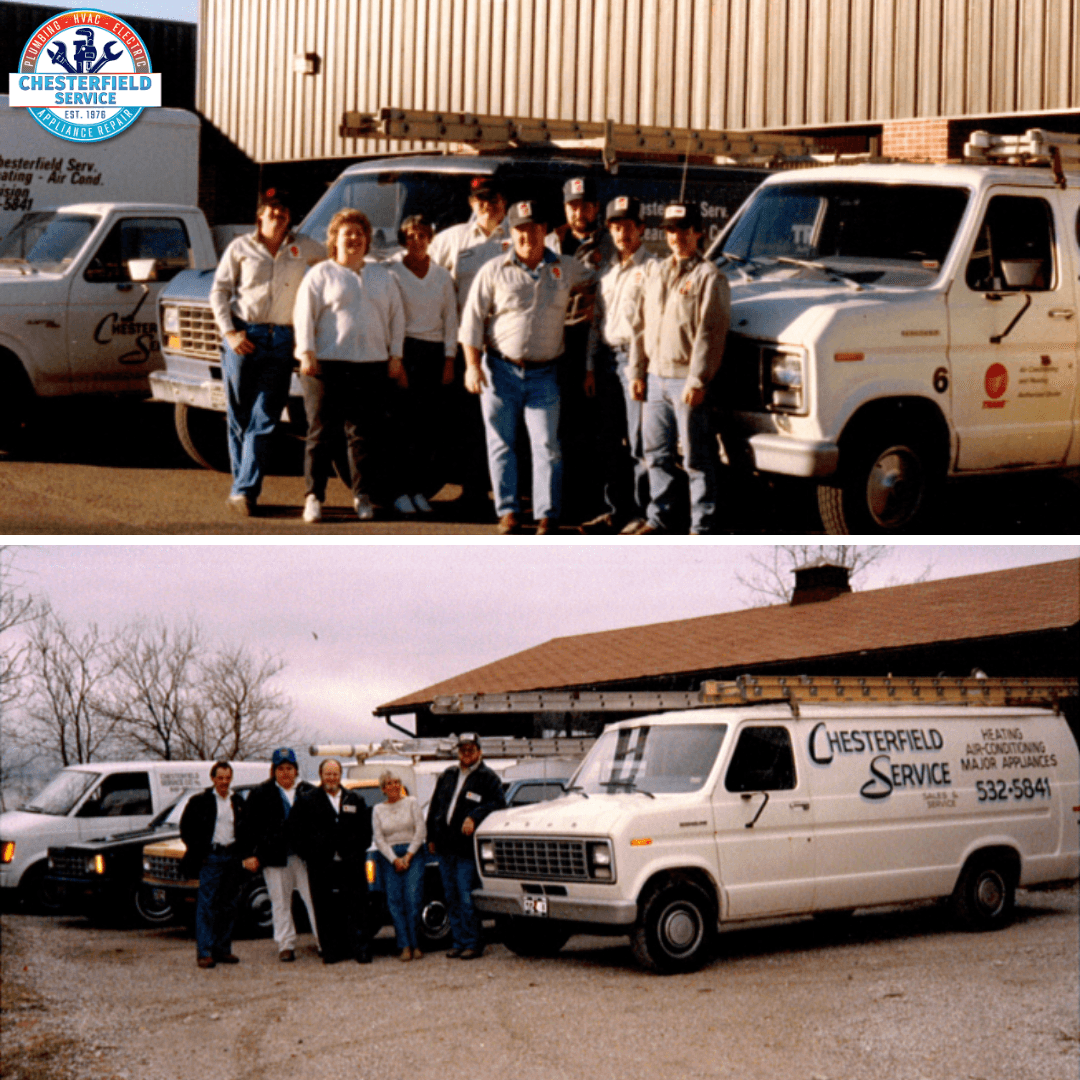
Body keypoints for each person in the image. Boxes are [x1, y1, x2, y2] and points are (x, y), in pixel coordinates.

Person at [459, 198, 594, 535]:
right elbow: (472, 322)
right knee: (501, 443)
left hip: (544, 373)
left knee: (546, 445)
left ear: (545, 230)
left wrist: (595, 306)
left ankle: (548, 514)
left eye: (534, 228)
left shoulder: (566, 267)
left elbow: (599, 283)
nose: (527, 236)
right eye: (520, 229)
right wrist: (472, 367)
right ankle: (508, 512)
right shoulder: (493, 270)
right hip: (499, 371)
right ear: (511, 232)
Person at [209, 188, 323, 517]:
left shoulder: (304, 247)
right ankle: (242, 485)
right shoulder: (240, 248)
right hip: (246, 336)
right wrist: (229, 333)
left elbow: (337, 255)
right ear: (260, 215)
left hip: (283, 339)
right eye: (272, 210)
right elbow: (219, 290)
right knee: (240, 416)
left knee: (266, 417)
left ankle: (245, 491)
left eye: (284, 211)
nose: (279, 216)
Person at [293, 208, 406, 523]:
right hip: (326, 366)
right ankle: (314, 496)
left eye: (359, 233)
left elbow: (397, 317)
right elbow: (303, 316)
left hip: (370, 366)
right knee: (320, 433)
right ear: (334, 239)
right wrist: (306, 353)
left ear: (367, 240)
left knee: (362, 435)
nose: (354, 239)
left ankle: (362, 495)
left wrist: (395, 355)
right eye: (347, 233)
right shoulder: (320, 274)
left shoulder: (383, 275)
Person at [628, 202, 730, 535]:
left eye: (685, 230)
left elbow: (709, 333)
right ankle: (661, 519)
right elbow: (639, 325)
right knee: (655, 454)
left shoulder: (709, 277)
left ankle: (702, 526)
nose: (677, 237)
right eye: (672, 230)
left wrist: (698, 379)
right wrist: (636, 372)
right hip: (655, 378)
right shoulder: (655, 272)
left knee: (696, 459)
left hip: (685, 381)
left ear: (699, 233)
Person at [429, 179, 511, 516]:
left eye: (492, 199)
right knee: (470, 424)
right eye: (480, 200)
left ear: (503, 201)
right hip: (469, 349)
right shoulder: (451, 239)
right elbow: (429, 279)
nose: (486, 206)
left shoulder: (518, 235)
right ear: (471, 203)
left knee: (508, 424)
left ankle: (510, 496)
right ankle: (473, 492)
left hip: (507, 347)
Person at [581, 195, 654, 535]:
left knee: (639, 442)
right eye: (615, 226)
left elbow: (647, 326)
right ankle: (615, 509)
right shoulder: (607, 273)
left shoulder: (652, 270)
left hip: (635, 362)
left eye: (628, 226)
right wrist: (590, 367)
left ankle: (642, 513)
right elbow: (597, 322)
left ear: (641, 228)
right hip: (607, 360)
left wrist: (638, 371)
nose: (622, 233)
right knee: (609, 440)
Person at [546, 176, 616, 523]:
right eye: (573, 205)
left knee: (595, 429)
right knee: (560, 429)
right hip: (555, 345)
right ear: (565, 207)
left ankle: (596, 504)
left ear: (596, 208)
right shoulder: (550, 243)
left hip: (593, 344)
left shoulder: (610, 244)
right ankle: (565, 504)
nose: (580, 212)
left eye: (586, 205)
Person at [387, 214, 459, 515]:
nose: (417, 240)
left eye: (422, 235)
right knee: (401, 427)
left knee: (426, 428)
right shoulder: (391, 271)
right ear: (404, 239)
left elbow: (450, 320)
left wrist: (449, 360)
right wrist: (397, 359)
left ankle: (418, 490)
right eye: (411, 235)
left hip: (433, 354)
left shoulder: (442, 275)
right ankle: (399, 491)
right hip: (404, 351)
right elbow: (391, 317)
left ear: (430, 238)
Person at [425, 733, 506, 960]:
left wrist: (474, 816)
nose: (467, 754)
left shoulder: (488, 778)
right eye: (463, 750)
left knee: (465, 896)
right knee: (450, 897)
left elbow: (498, 803)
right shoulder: (447, 775)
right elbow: (434, 807)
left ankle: (474, 942)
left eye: (471, 749)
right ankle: (459, 941)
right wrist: (430, 836)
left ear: (479, 751)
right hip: (444, 848)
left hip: (466, 850)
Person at [289, 759, 373, 965]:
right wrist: (311, 854)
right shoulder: (307, 800)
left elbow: (366, 833)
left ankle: (360, 950)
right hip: (321, 865)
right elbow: (295, 833)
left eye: (335, 774)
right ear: (321, 775)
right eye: (328, 774)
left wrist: (354, 852)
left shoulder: (355, 799)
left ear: (340, 775)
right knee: (325, 909)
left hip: (350, 865)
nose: (331, 778)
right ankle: (331, 952)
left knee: (356, 907)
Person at [240, 747, 318, 962]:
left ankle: (324, 942)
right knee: (280, 902)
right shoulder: (260, 794)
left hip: (304, 858)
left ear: (296, 770)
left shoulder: (309, 791)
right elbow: (246, 827)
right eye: (281, 768)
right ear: (273, 770)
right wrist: (249, 854)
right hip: (274, 857)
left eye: (289, 768)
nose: (285, 772)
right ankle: (286, 944)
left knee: (313, 899)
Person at [180, 761, 247, 969]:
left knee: (229, 905)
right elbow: (186, 829)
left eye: (227, 778)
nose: (224, 782)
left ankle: (223, 949)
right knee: (207, 906)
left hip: (232, 857)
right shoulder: (199, 801)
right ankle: (205, 952)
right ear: (212, 778)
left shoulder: (238, 801)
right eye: (220, 778)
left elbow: (245, 829)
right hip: (211, 858)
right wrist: (199, 851)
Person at [371, 769, 427, 961]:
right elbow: (379, 839)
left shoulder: (411, 803)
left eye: (396, 782)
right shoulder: (377, 809)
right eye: (388, 784)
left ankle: (416, 943)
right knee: (395, 902)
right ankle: (404, 946)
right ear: (383, 789)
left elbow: (420, 830)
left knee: (413, 899)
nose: (393, 786)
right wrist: (395, 859)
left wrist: (408, 856)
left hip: (414, 853)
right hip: (389, 857)